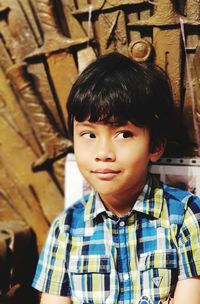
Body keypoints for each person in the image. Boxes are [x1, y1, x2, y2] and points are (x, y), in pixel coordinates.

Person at [32, 52, 200, 304]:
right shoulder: (65, 230)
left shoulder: (185, 217)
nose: (103, 153)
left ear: (155, 146)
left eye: (123, 134)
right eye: (89, 134)